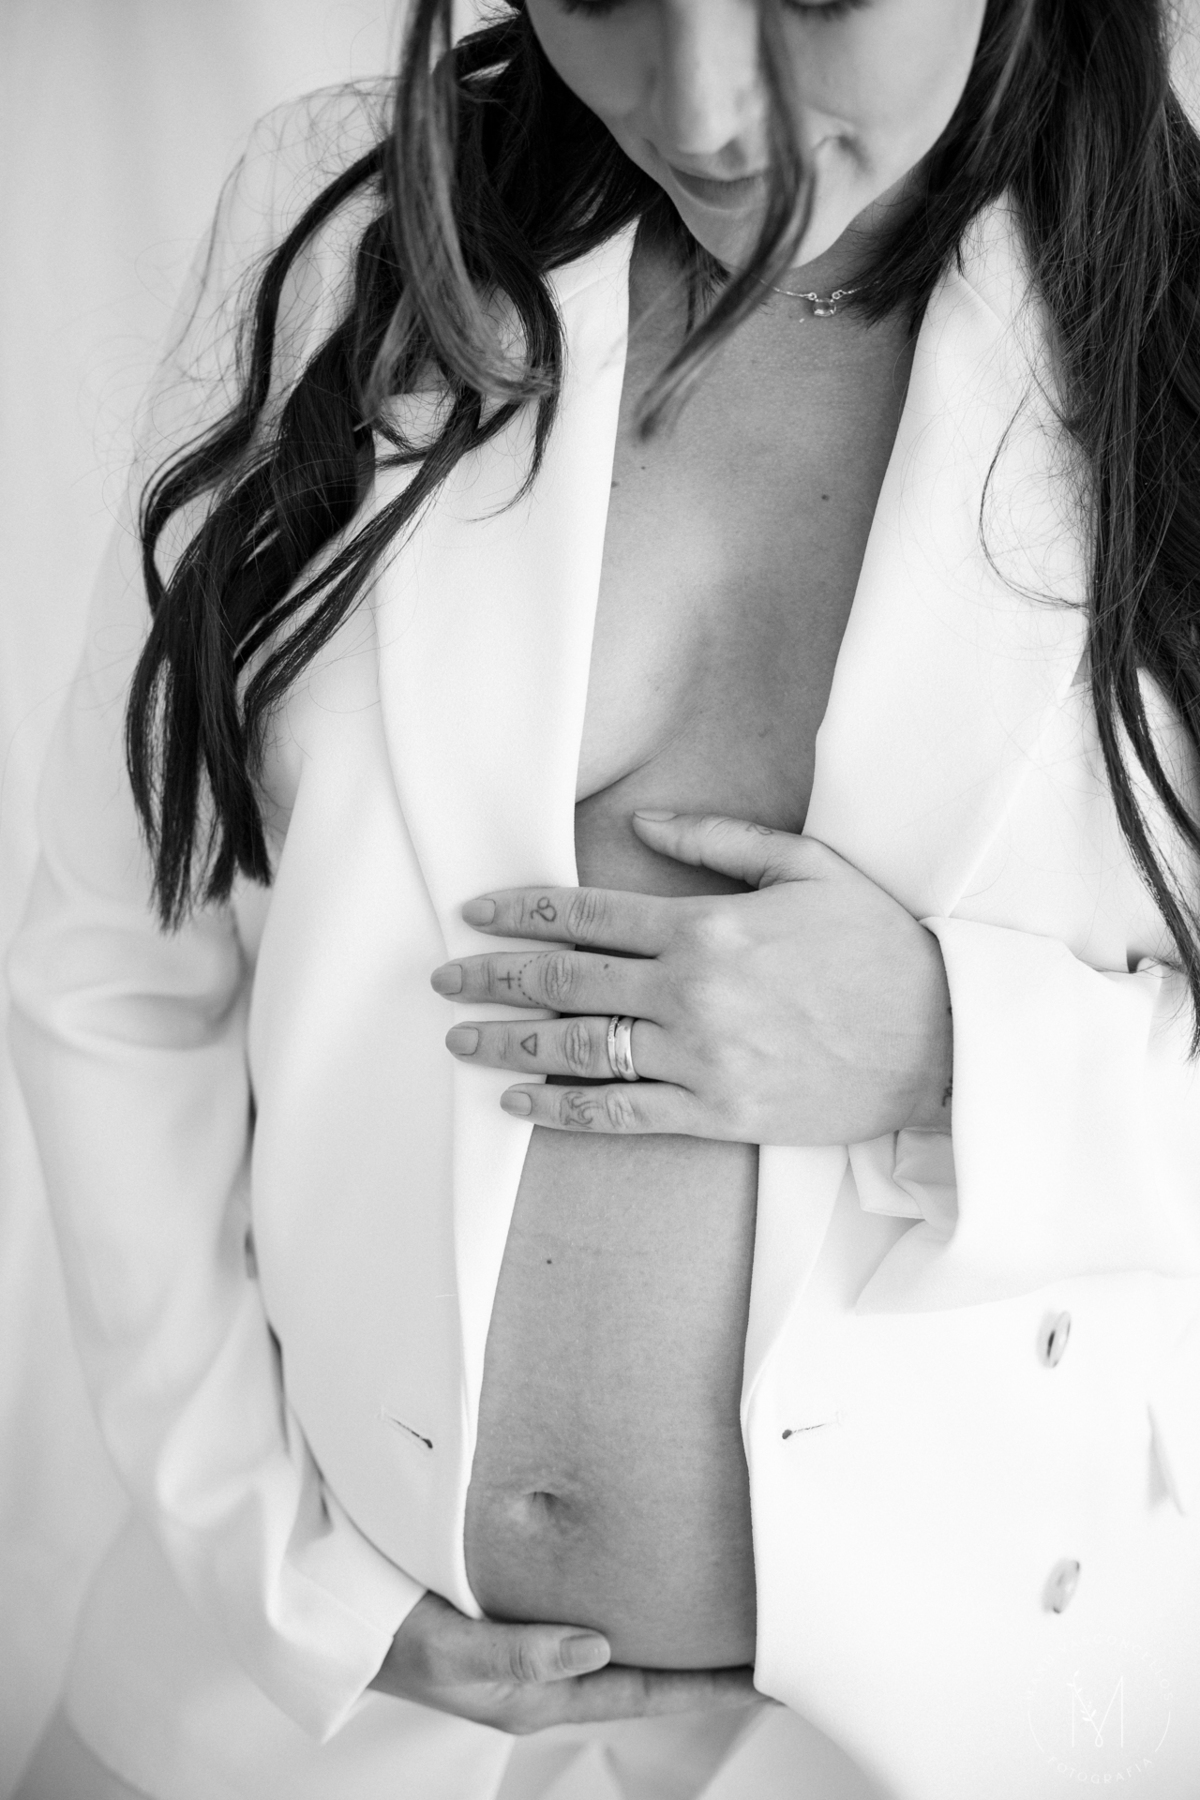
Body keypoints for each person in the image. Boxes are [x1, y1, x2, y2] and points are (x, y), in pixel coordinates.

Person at [10, 0, 1200, 1794]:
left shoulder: (1175, 332)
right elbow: (124, 955)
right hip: (289, 1700)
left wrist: (957, 1053)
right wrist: (277, 1568)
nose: (703, 108)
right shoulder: (349, 231)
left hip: (949, 1724)